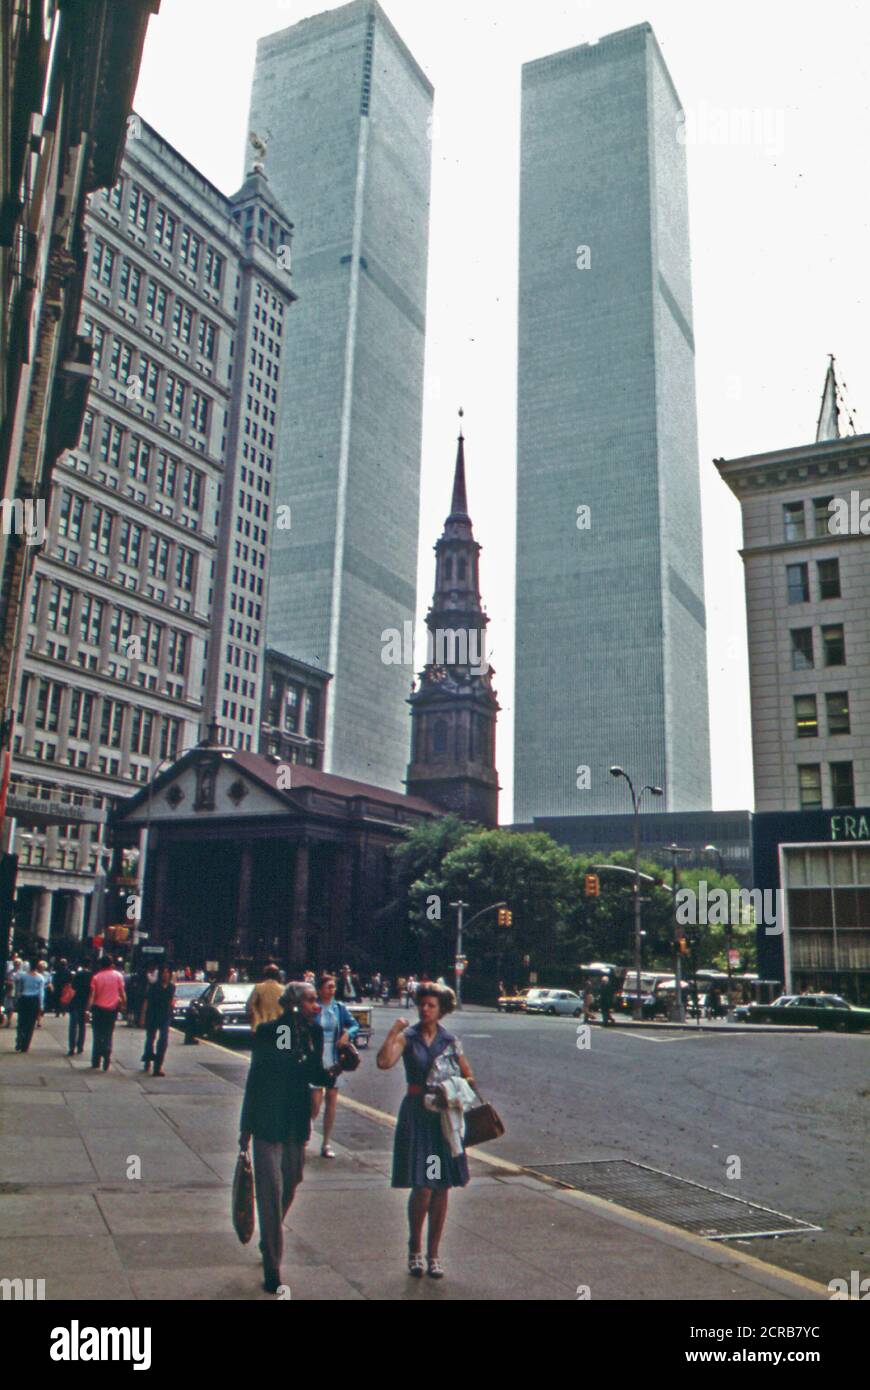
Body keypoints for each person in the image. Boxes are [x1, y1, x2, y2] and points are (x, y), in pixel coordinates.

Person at [238, 981, 339, 1294]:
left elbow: (313, 1075)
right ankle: (272, 1264)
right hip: (268, 1119)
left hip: (295, 1120)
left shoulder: (314, 1033)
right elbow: (266, 1073)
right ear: (295, 1004)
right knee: (270, 1189)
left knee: (291, 1180)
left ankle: (270, 1235)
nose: (316, 1005)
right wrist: (246, 1129)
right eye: (310, 1000)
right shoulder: (274, 1032)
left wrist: (337, 1068)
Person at [377, 982, 475, 1280]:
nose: (425, 1009)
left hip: (443, 1118)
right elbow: (384, 1062)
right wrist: (393, 1030)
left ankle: (434, 1254)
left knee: (441, 1185)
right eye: (422, 1004)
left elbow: (469, 1076)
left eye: (432, 1005)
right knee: (423, 1186)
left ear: (441, 1010)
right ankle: (415, 1248)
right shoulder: (409, 1037)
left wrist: (456, 1089)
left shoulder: (449, 1040)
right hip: (418, 1114)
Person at [310, 972, 360, 1159]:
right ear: (320, 989)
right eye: (328, 987)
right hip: (317, 1057)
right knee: (315, 1102)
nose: (332, 990)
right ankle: (306, 1131)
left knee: (331, 1100)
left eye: (333, 987)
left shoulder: (339, 1008)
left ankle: (326, 1143)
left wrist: (348, 1035)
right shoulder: (314, 1008)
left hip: (334, 1056)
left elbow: (354, 1025)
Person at [87, 956, 127, 1071]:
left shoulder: (96, 977)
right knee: (108, 1033)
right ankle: (107, 1050)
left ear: (101, 965)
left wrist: (88, 1009)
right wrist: (124, 1005)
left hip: (98, 1010)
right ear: (111, 964)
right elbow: (122, 993)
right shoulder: (118, 976)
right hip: (112, 1010)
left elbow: (92, 995)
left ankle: (96, 1060)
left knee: (97, 1034)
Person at [142, 965, 175, 1076]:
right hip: (152, 1015)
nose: (165, 974)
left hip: (165, 1016)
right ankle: (147, 1057)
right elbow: (146, 1001)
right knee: (150, 1038)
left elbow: (171, 1001)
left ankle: (158, 1066)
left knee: (163, 1040)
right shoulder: (153, 986)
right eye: (163, 972)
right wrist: (143, 1016)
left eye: (167, 972)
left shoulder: (171, 987)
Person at [14, 960, 46, 1052]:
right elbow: (41, 993)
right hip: (34, 1000)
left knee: (21, 1021)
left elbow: (18, 986)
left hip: (24, 998)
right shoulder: (40, 977)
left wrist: (17, 998)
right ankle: (25, 1045)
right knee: (30, 1023)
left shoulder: (23, 976)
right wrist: (41, 1005)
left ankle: (19, 1039)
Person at [247, 964, 284, 1032]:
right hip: (279, 1027)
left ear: (265, 975)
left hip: (260, 1027)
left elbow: (249, 1006)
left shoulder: (258, 987)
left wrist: (255, 1019)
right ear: (277, 975)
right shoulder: (283, 989)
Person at [67, 961, 92, 1056]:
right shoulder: (91, 976)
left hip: (76, 1001)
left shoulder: (78, 974)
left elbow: (73, 987)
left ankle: (71, 1047)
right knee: (82, 1025)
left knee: (73, 1025)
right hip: (85, 1002)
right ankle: (80, 1046)